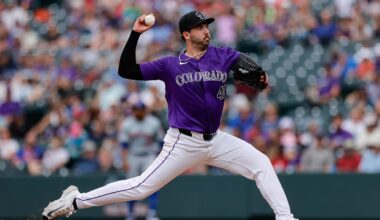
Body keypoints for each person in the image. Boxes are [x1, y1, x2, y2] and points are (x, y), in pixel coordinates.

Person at [42, 11, 297, 220]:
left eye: (207, 26)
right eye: (199, 27)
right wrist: (135, 34)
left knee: (261, 163)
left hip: (216, 140)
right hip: (183, 142)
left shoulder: (222, 55)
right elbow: (126, 70)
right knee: (141, 188)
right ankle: (75, 201)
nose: (206, 30)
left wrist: (260, 75)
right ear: (186, 34)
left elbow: (248, 65)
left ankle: (285, 218)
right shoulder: (169, 66)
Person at [119, 101, 163, 220]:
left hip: (149, 155)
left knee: (152, 182)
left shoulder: (154, 122)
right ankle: (130, 213)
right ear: (133, 111)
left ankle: (152, 213)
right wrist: (124, 161)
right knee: (130, 185)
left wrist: (159, 159)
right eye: (135, 109)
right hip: (133, 156)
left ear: (145, 110)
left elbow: (160, 142)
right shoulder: (127, 123)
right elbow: (123, 145)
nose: (138, 112)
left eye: (140, 109)